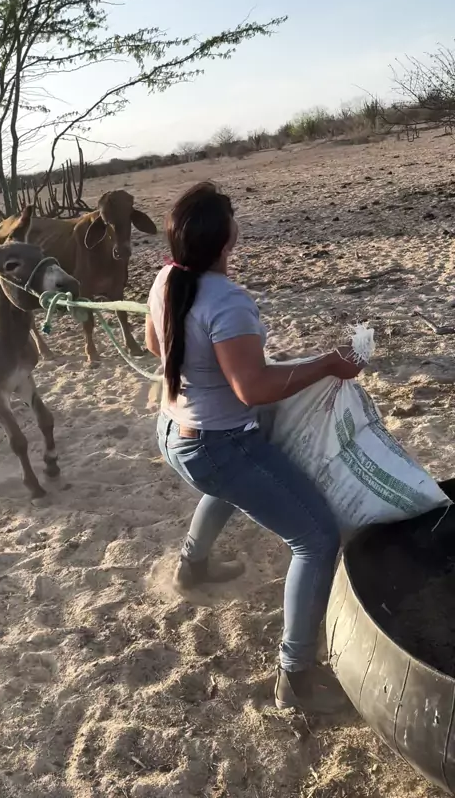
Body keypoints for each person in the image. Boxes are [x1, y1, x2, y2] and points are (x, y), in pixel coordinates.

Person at [145, 182, 364, 713]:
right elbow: (253, 389)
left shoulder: (167, 278)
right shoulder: (227, 300)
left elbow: (156, 345)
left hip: (174, 432)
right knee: (316, 537)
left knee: (232, 484)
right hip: (216, 445)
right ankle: (296, 678)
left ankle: (191, 567)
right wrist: (327, 365)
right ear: (227, 239)